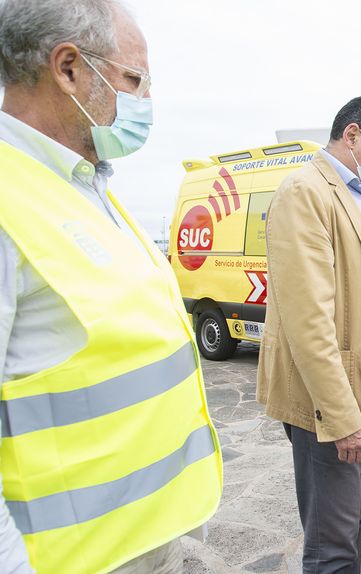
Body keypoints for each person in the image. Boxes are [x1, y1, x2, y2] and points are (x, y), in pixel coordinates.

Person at [0, 1, 222, 573]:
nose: (146, 99)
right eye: (135, 79)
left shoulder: (87, 185)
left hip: (143, 534)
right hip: (72, 558)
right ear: (68, 68)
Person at [256, 94, 361, 573]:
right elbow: (309, 321)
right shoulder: (306, 192)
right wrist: (343, 417)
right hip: (327, 408)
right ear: (352, 135)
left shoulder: (360, 198)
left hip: (358, 394)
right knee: (334, 545)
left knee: (353, 521)